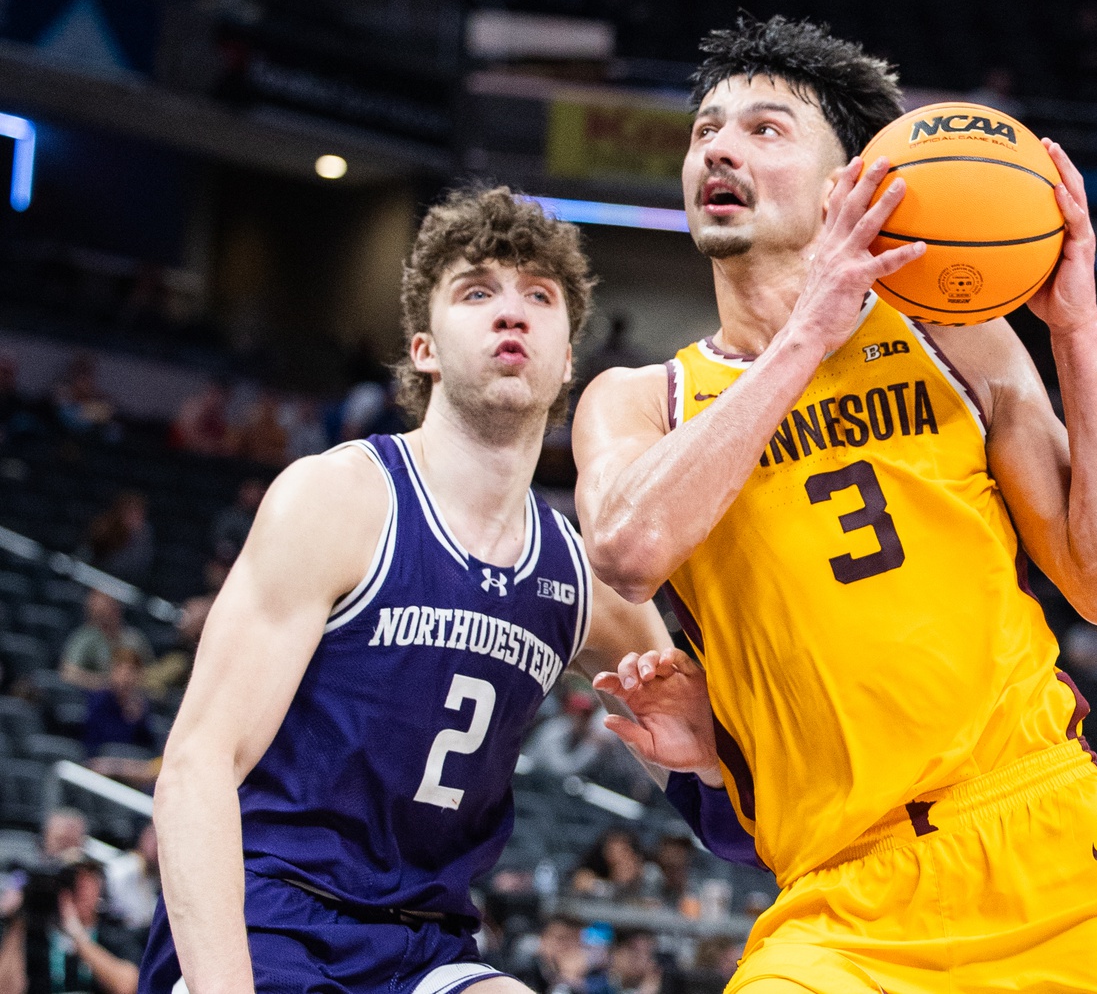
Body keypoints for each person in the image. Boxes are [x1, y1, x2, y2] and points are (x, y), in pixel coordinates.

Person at [575, 14, 1097, 992]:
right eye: (706, 128)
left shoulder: (959, 342)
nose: (719, 146)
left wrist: (1079, 327)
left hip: (1048, 845)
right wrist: (805, 332)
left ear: (851, 185)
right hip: (841, 900)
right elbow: (627, 547)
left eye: (765, 127)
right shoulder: (638, 399)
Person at [139, 187, 734, 994]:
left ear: (568, 358)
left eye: (539, 296)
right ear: (422, 347)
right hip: (270, 915)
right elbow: (194, 769)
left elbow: (729, 826)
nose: (511, 312)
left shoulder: (583, 575)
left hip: (427, 946)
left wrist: (712, 768)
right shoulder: (340, 499)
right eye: (477, 291)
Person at [0, 858, 141, 994]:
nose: (83, 892)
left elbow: (128, 986)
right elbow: (5, 989)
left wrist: (78, 936)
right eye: (74, 883)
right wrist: (16, 922)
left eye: (89, 883)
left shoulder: (113, 935)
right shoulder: (34, 936)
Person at [59, 592, 152, 692]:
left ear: (118, 610)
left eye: (108, 612)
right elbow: (68, 673)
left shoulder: (134, 638)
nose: (105, 619)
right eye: (99, 615)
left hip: (131, 699)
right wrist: (108, 684)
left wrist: (128, 681)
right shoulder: (85, 637)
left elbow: (150, 674)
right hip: (95, 699)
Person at [522, 689, 615, 778]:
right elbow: (560, 770)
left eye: (586, 716)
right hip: (527, 780)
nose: (584, 720)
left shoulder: (575, 733)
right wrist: (589, 747)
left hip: (542, 782)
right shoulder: (556, 730)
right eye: (581, 716)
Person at [81, 649, 156, 757]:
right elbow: (96, 741)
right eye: (120, 670)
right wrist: (129, 722)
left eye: (131, 671)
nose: (125, 678)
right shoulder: (99, 700)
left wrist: (137, 721)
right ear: (112, 672)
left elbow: (147, 747)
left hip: (131, 764)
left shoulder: (141, 706)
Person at [82, 493, 154, 585]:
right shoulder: (104, 528)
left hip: (128, 583)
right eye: (130, 512)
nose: (134, 517)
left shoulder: (145, 535)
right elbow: (90, 554)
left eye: (138, 513)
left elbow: (139, 567)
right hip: (100, 578)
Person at [103, 824, 158, 934]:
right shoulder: (122, 869)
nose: (157, 848)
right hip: (114, 931)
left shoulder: (154, 881)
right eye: (155, 840)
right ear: (144, 838)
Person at [514, 915, 590, 994]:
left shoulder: (587, 974)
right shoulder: (524, 972)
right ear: (543, 939)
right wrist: (565, 982)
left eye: (576, 940)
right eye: (562, 938)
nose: (568, 946)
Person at [210, 479, 266, 564]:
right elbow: (219, 544)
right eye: (251, 491)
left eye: (257, 492)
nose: (254, 496)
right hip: (225, 563)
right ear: (243, 492)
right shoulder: (228, 516)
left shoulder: (261, 520)